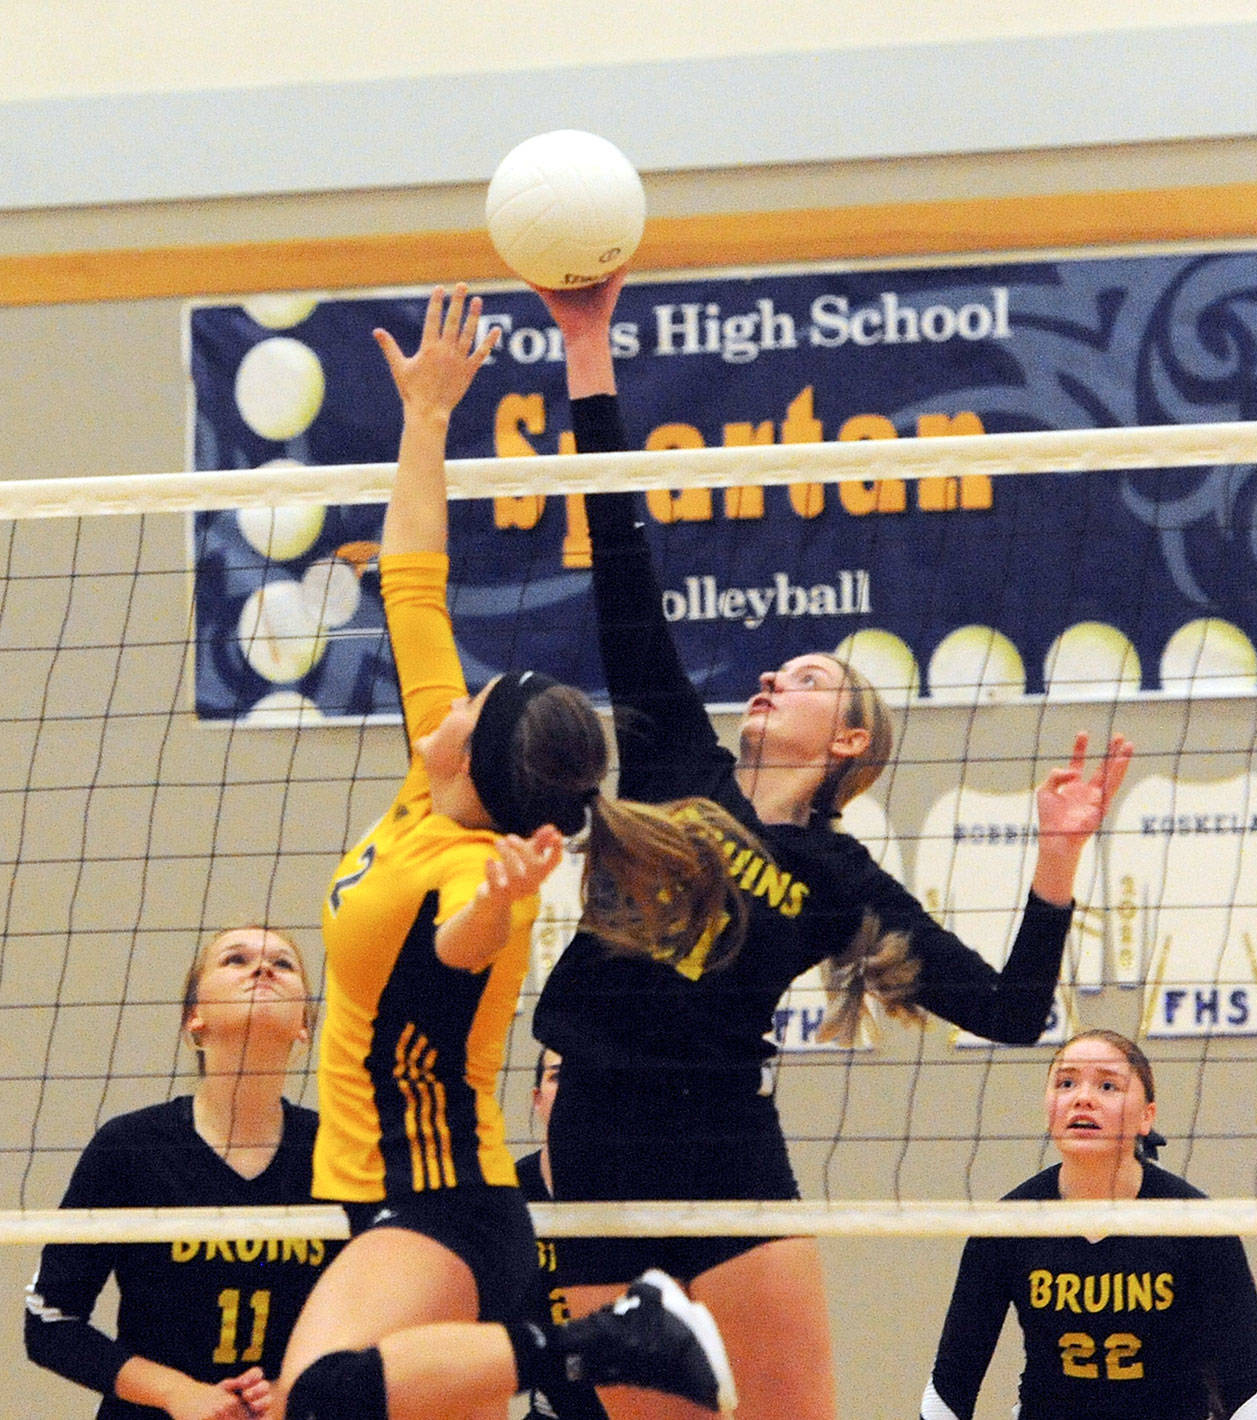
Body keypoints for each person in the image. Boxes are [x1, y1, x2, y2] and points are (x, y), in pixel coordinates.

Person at [528, 269, 1136, 1420]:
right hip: (594, 1131)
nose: (770, 678)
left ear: (848, 736)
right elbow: (618, 555)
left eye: (806, 679)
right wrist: (587, 344)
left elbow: (1010, 1012)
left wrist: (1055, 857)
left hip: (721, 1145)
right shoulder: (673, 765)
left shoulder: (839, 878)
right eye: (772, 672)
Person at [269, 285, 741, 1420]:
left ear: (478, 768)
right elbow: (413, 579)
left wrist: (496, 903)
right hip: (385, 1197)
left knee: (321, 1400)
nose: (442, 706)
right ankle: (593, 1343)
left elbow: (459, 942)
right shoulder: (437, 775)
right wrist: (426, 416)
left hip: (439, 1203)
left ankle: (613, 1337)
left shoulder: (475, 873)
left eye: (463, 711)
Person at [24, 924, 327, 1420]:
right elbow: (50, 1321)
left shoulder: (340, 1153)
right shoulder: (131, 1147)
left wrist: (294, 1391)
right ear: (195, 1019)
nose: (263, 968)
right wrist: (177, 1393)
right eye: (236, 959)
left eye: (284, 963)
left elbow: (388, 1319)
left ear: (304, 1027)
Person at [920, 1029, 1257, 1419]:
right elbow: (950, 1385)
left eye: (1108, 1085)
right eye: (1066, 1083)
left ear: (1146, 1117)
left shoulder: (1196, 1223)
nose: (1082, 1098)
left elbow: (1251, 1392)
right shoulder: (1008, 1225)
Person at [516, 1049, 610, 1420]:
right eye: (556, 1076)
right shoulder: (510, 1193)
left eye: (581, 1075)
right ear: (537, 1099)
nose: (570, 1087)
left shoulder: (644, 1189)